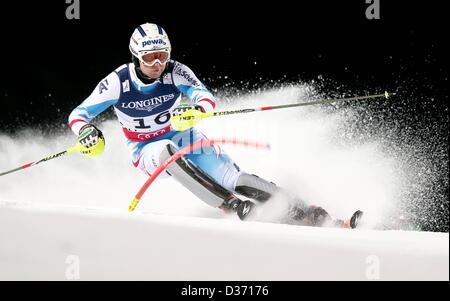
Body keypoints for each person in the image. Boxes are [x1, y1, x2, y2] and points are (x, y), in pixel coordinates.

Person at [68, 23, 354, 227]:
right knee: (166, 150)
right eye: (149, 58)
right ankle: (229, 205)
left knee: (238, 180)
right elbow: (78, 114)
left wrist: (194, 111)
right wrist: (86, 132)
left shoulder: (175, 71)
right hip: (146, 151)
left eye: (162, 56)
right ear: (136, 57)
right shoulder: (117, 82)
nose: (157, 64)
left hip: (188, 139)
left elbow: (205, 98)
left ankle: (313, 213)